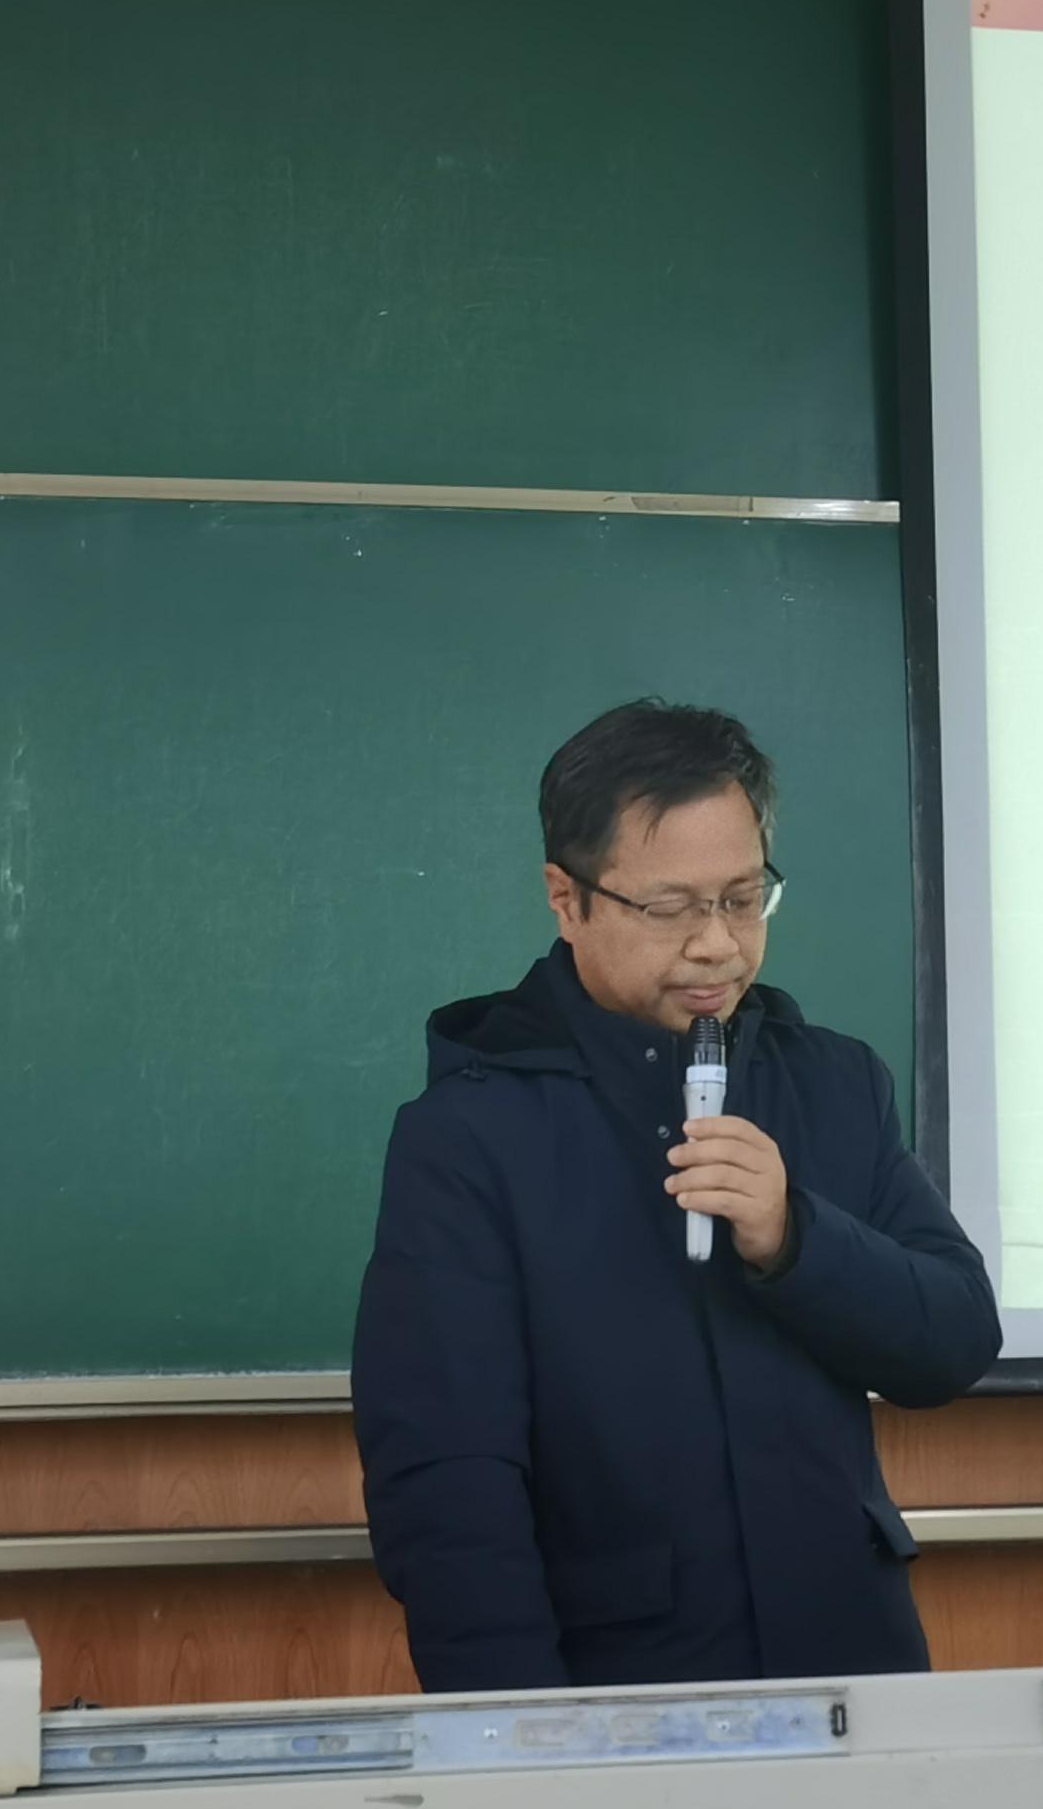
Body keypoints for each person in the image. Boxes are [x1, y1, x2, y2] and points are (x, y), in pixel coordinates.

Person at [351, 700, 1002, 1690]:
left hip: (850, 1671)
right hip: (622, 1693)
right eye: (670, 908)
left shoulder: (832, 1083)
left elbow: (952, 1340)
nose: (717, 945)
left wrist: (794, 1237)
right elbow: (447, 1485)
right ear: (566, 899)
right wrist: (520, 1738)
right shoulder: (471, 1135)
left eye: (743, 899)